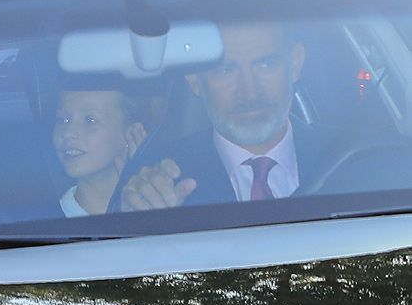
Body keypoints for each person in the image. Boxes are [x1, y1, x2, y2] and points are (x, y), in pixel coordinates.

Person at [120, 20, 332, 211]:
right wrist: (141, 219)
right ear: (194, 79)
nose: (250, 92)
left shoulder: (350, 159)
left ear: (295, 62)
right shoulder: (156, 183)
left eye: (266, 65)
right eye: (225, 70)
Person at [53, 87, 148, 217]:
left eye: (90, 120)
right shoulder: (45, 225)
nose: (68, 133)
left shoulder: (158, 213)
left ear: (131, 133)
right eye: (63, 120)